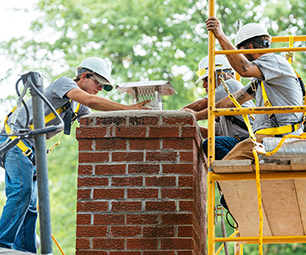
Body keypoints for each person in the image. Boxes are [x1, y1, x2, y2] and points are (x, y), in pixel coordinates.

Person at [0, 57, 150, 253]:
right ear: (83, 76)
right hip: (13, 140)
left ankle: (26, 250)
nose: (99, 88)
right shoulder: (64, 83)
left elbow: (100, 115)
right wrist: (127, 109)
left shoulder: (78, 107)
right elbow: (91, 100)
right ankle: (3, 244)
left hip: (30, 149)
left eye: (104, 86)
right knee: (22, 191)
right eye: (98, 82)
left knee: (31, 204)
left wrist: (134, 114)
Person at [189, 17, 304, 161]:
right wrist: (195, 115)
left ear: (250, 48)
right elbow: (229, 102)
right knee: (218, 153)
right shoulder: (262, 78)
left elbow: (244, 69)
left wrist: (220, 36)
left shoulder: (273, 61)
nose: (239, 57)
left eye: (240, 52)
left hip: (277, 137)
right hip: (267, 137)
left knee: (227, 165)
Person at [181, 55, 255, 160]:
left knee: (210, 144)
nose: (204, 85)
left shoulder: (230, 85)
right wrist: (193, 127)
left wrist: (177, 115)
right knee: (212, 143)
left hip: (248, 141)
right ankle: (234, 163)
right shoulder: (219, 113)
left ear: (219, 75)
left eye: (206, 79)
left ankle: (232, 163)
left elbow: (201, 104)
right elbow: (213, 133)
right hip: (240, 142)